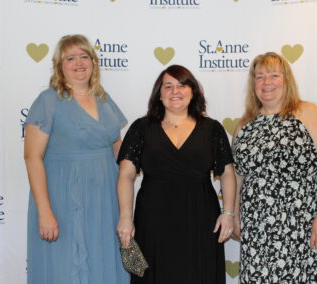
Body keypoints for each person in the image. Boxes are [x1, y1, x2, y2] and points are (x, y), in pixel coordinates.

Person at [24, 34, 129, 284]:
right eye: (70, 58)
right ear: (60, 66)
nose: (78, 63)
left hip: (104, 198)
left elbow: (119, 149)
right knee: (64, 264)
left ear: (93, 62)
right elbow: (32, 157)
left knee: (102, 258)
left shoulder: (104, 99)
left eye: (84, 56)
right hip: (62, 198)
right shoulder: (47, 101)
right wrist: (45, 211)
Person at [117, 65, 236, 284]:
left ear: (193, 92)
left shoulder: (212, 128)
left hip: (200, 216)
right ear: (159, 94)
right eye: (168, 86)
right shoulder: (141, 128)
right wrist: (125, 216)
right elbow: (125, 174)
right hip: (152, 218)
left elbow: (227, 173)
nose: (175, 91)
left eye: (182, 85)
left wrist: (228, 212)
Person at [232, 52, 317, 284]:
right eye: (260, 77)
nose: (266, 82)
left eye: (274, 75)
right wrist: (235, 215)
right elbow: (238, 176)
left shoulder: (308, 113)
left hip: (299, 225)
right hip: (256, 228)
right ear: (253, 84)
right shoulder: (245, 124)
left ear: (286, 80)